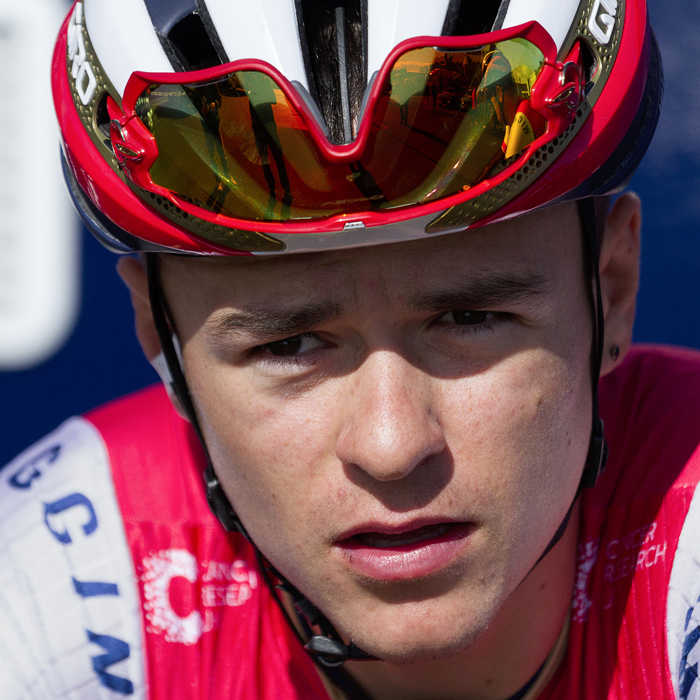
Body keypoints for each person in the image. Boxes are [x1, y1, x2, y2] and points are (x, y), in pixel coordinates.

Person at [2, 1, 700, 699]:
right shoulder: (56, 580)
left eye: (469, 316)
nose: (391, 446)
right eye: (290, 344)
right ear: (165, 347)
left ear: (611, 292)